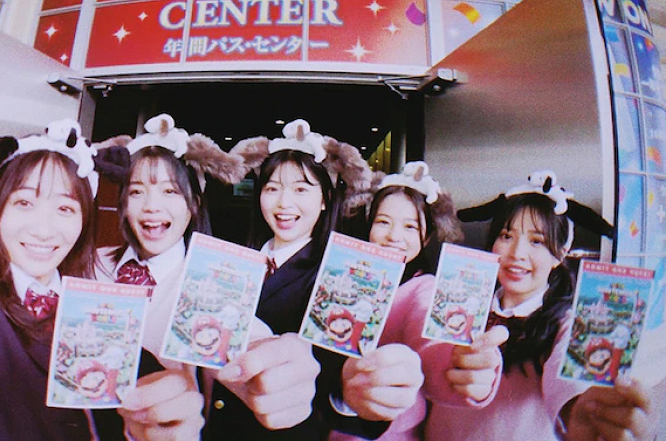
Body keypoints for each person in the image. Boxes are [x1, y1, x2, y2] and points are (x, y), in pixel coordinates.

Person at [0, 119, 202, 440]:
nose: (44, 229)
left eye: (65, 208)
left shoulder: (92, 302)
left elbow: (139, 394)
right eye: (24, 203)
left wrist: (162, 415)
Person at [93, 114, 322, 437]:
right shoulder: (91, 266)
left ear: (194, 204)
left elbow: (250, 340)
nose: (152, 206)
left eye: (170, 191)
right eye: (136, 192)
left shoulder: (212, 283)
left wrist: (280, 370)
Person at [205, 119, 414, 440]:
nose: (284, 203)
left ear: (325, 199)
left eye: (301, 189)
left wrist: (352, 393)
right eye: (272, 188)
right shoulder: (233, 262)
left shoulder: (341, 278)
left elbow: (340, 378)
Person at [424, 170, 656, 440]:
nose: (517, 254)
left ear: (560, 254)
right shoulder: (462, 300)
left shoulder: (568, 324)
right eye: (506, 236)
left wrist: (583, 409)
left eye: (537, 241)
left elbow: (571, 385)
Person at [331, 162, 507, 440]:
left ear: (426, 239)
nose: (394, 236)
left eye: (410, 227)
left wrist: (457, 362)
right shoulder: (346, 279)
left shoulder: (423, 288)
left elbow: (430, 341)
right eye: (383, 222)